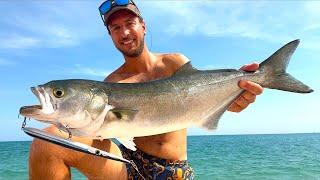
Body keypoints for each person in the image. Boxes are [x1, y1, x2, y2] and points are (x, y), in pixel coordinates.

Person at [29, 0, 263, 179]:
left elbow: (204, 101)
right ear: (110, 35)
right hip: (126, 164)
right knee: (46, 141)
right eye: (116, 28)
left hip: (173, 170)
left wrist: (236, 90)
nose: (124, 33)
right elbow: (96, 133)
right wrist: (62, 120)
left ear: (143, 25)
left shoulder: (174, 63)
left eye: (130, 23)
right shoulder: (112, 82)